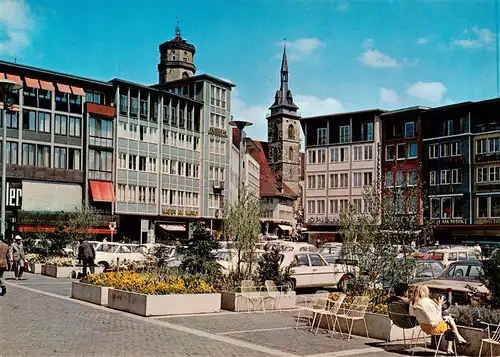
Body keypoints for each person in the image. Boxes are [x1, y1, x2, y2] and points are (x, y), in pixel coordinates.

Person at [410, 285, 467, 355]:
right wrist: (439, 305)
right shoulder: (427, 301)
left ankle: (456, 342)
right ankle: (454, 343)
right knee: (449, 325)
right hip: (434, 328)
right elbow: (437, 317)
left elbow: (413, 314)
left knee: (448, 319)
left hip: (424, 327)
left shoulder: (413, 303)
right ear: (425, 292)